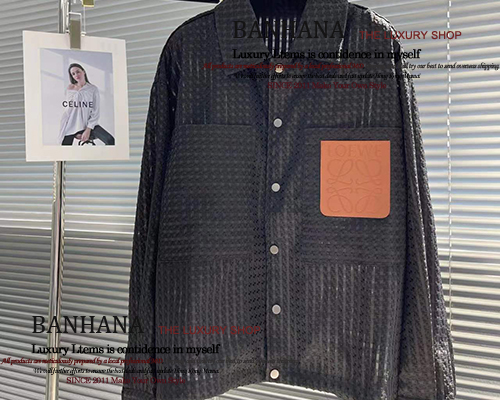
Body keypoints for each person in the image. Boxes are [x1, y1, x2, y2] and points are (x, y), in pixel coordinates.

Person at [59, 63, 115, 146]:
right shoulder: (70, 88)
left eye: (78, 72)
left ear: (83, 72)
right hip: (71, 126)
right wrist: (72, 131)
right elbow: (68, 110)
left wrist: (88, 130)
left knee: (110, 140)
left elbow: (95, 111)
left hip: (88, 125)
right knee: (64, 149)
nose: (76, 75)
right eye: (73, 74)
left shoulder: (93, 89)